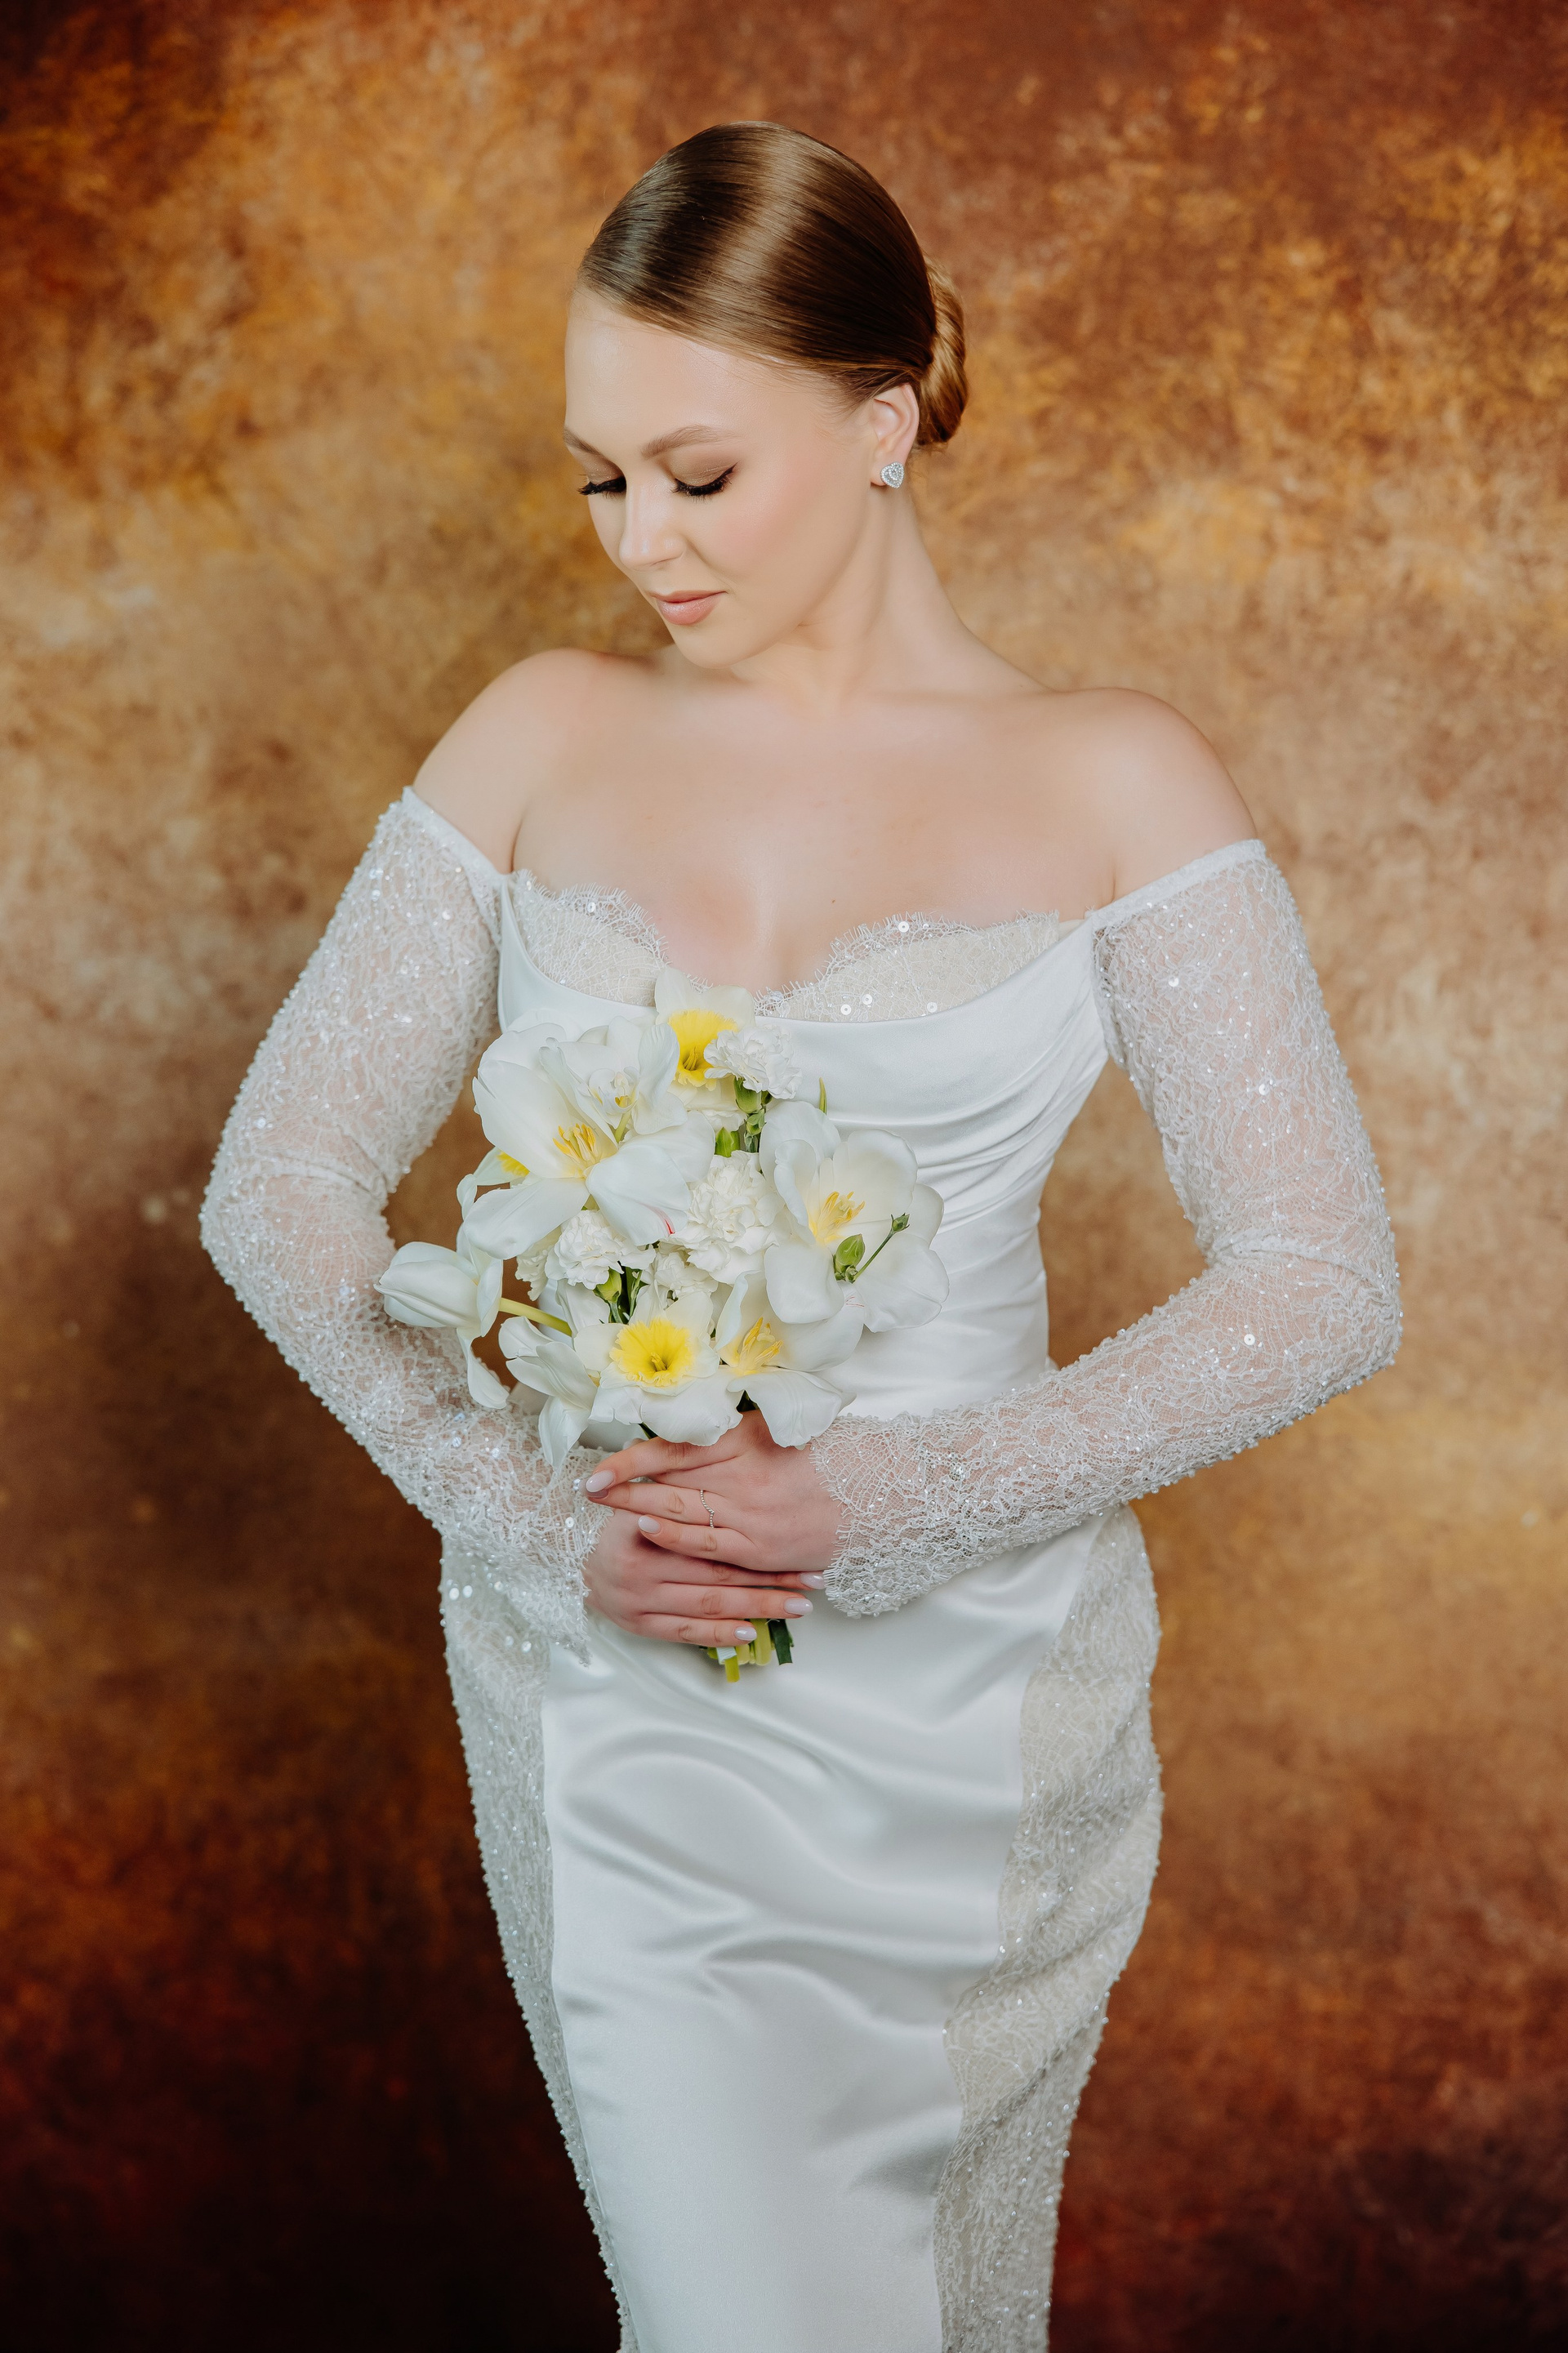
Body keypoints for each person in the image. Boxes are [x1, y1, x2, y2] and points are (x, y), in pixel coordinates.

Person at [203, 121, 1401, 2353]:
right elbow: (275, 1185)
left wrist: (883, 1501)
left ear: (880, 420)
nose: (637, 540)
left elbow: (1322, 1279)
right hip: (622, 1684)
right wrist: (526, 1521)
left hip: (972, 1704)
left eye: (698, 473)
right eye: (601, 479)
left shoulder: (1117, 774)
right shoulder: (540, 733)